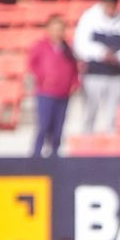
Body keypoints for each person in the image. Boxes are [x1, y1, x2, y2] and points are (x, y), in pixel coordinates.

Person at [72, 0, 120, 137]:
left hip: (115, 74)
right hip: (93, 74)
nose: (109, 10)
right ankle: (87, 140)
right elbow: (80, 45)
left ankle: (110, 143)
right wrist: (101, 53)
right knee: (90, 111)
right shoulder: (89, 18)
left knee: (113, 113)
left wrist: (118, 56)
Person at [27, 15, 79, 158]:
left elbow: (74, 68)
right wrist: (43, 79)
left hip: (63, 94)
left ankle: (54, 156)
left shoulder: (68, 48)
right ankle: (36, 156)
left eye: (60, 29)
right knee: (44, 126)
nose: (57, 33)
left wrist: (75, 83)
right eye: (54, 29)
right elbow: (32, 65)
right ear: (48, 30)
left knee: (58, 129)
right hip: (46, 93)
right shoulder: (40, 46)